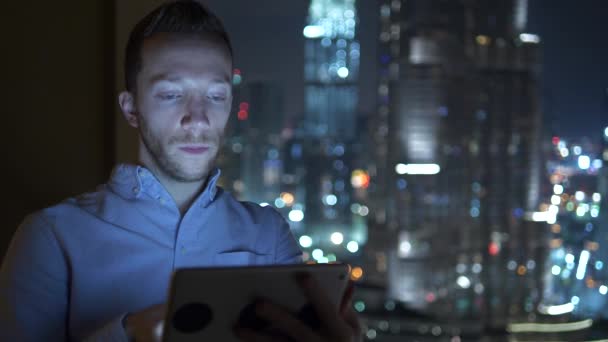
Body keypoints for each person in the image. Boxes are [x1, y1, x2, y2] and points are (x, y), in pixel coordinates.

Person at [0, 1, 361, 341]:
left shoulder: (268, 235)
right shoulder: (50, 238)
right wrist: (129, 333)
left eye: (216, 96)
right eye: (171, 94)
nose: (198, 118)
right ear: (131, 108)